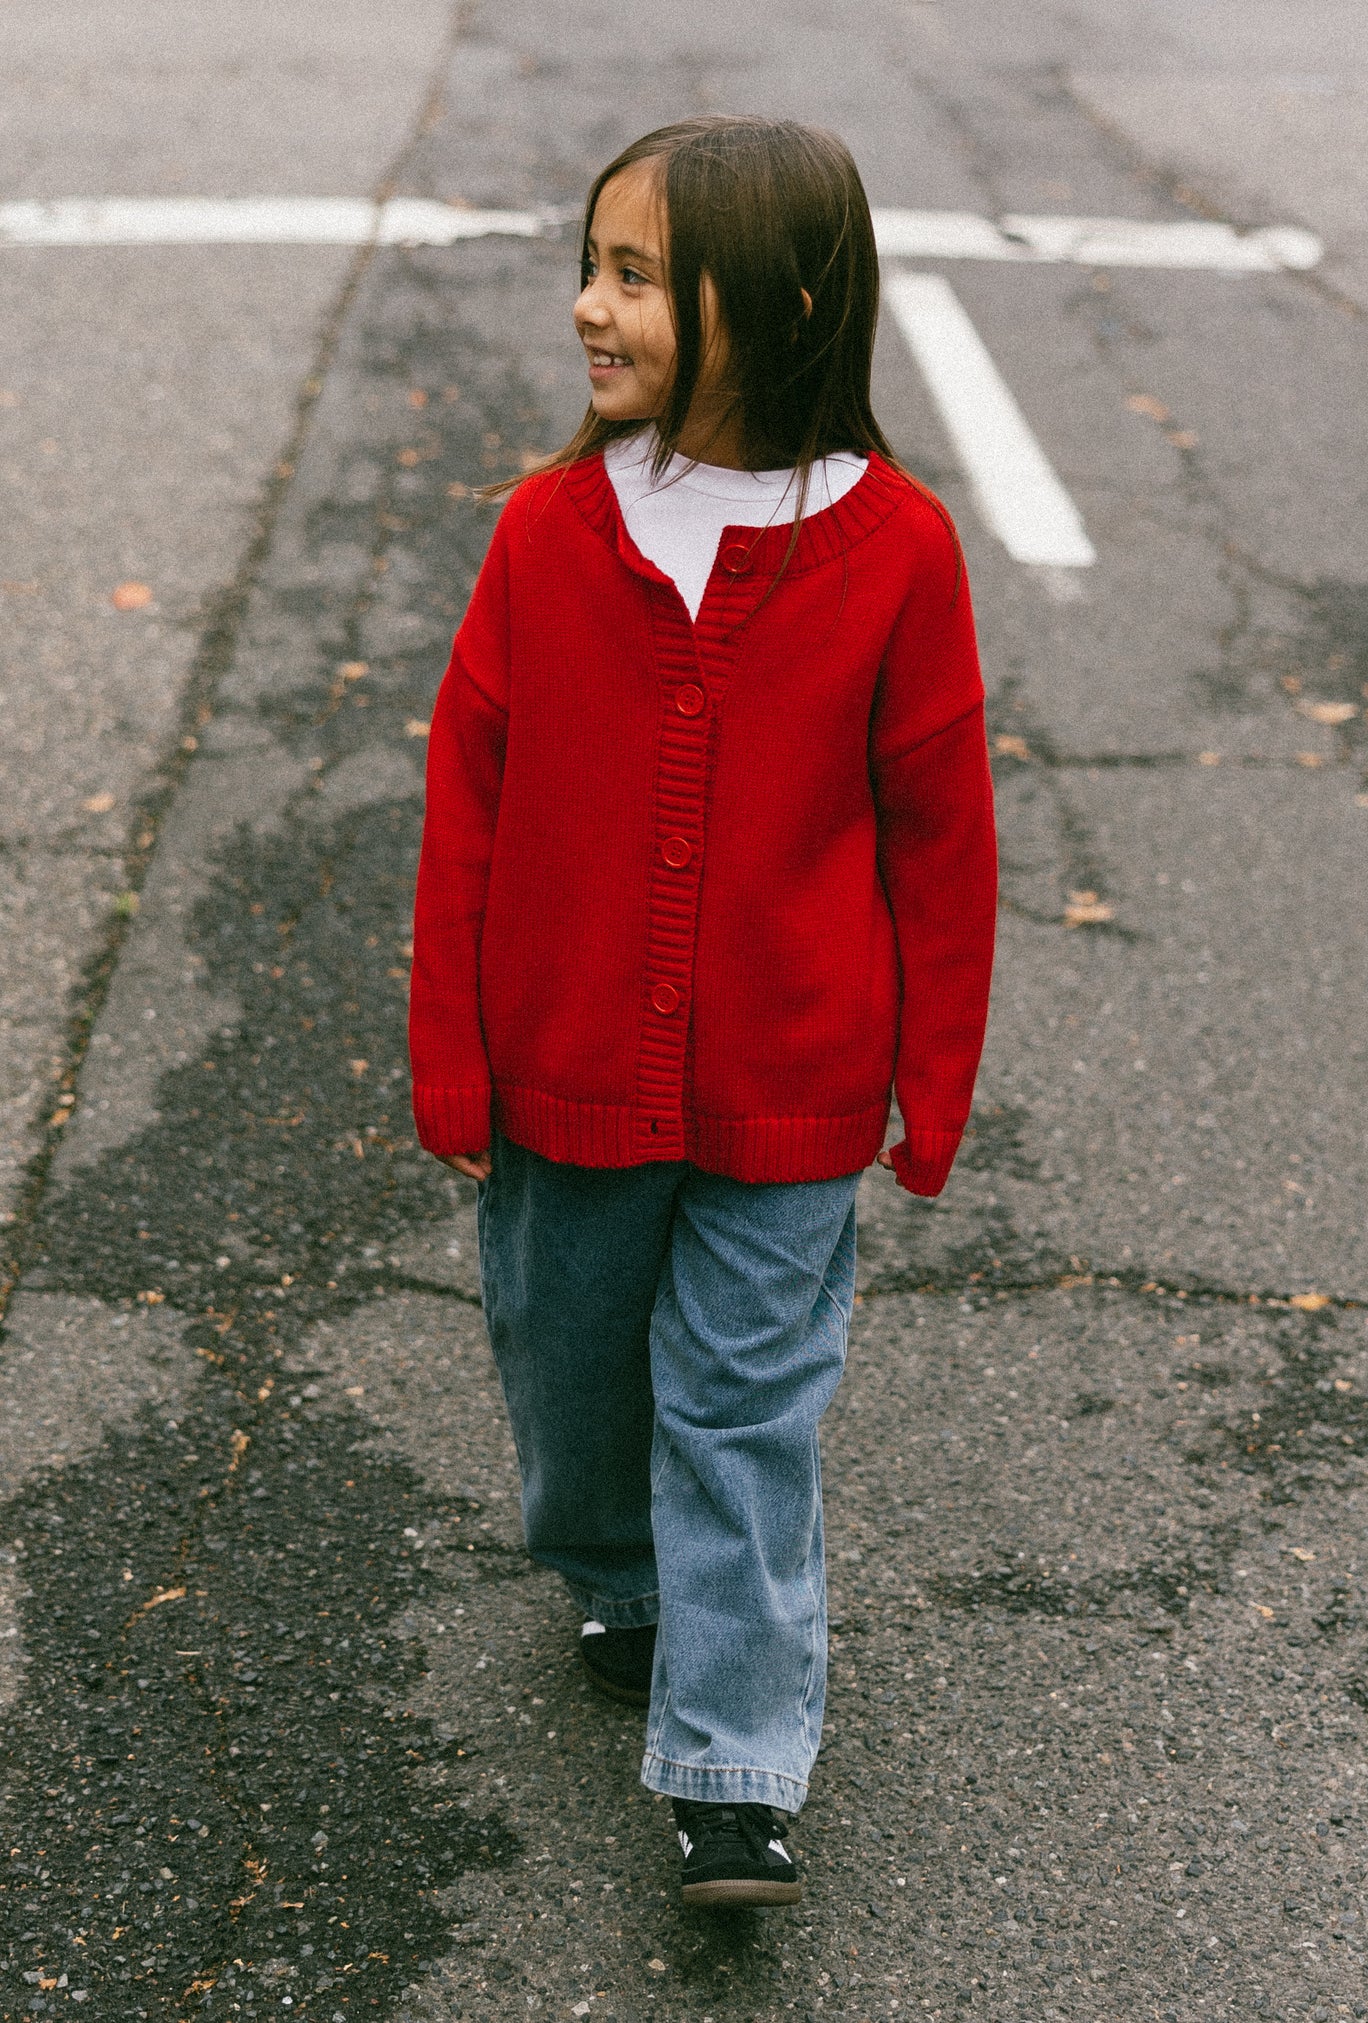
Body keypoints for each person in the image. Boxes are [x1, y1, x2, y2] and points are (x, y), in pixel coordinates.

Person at [408, 114, 997, 1909]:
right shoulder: (544, 533)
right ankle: (617, 1572)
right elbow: (469, 804)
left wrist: (931, 1082)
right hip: (562, 1069)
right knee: (576, 1385)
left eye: (640, 278)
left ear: (788, 301)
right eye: (589, 267)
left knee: (742, 1413)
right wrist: (453, 1049)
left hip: (791, 1086)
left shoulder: (893, 551)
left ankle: (734, 1763)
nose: (593, 307)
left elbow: (939, 835)